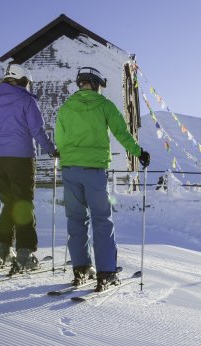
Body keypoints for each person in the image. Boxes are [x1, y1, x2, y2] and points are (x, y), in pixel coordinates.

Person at [55, 66, 150, 291]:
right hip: (94, 169)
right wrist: (139, 153)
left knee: (76, 219)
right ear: (97, 84)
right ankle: (106, 272)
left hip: (70, 170)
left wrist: (66, 152)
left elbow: (59, 136)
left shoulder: (66, 108)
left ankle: (81, 268)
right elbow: (121, 133)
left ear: (80, 84)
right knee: (101, 219)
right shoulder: (105, 105)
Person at [0, 63, 58, 273]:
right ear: (24, 80)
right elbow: (37, 130)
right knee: (23, 205)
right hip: (21, 160)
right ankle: (25, 253)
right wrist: (52, 150)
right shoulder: (27, 100)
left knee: (8, 204)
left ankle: (2, 250)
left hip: (0, 160)